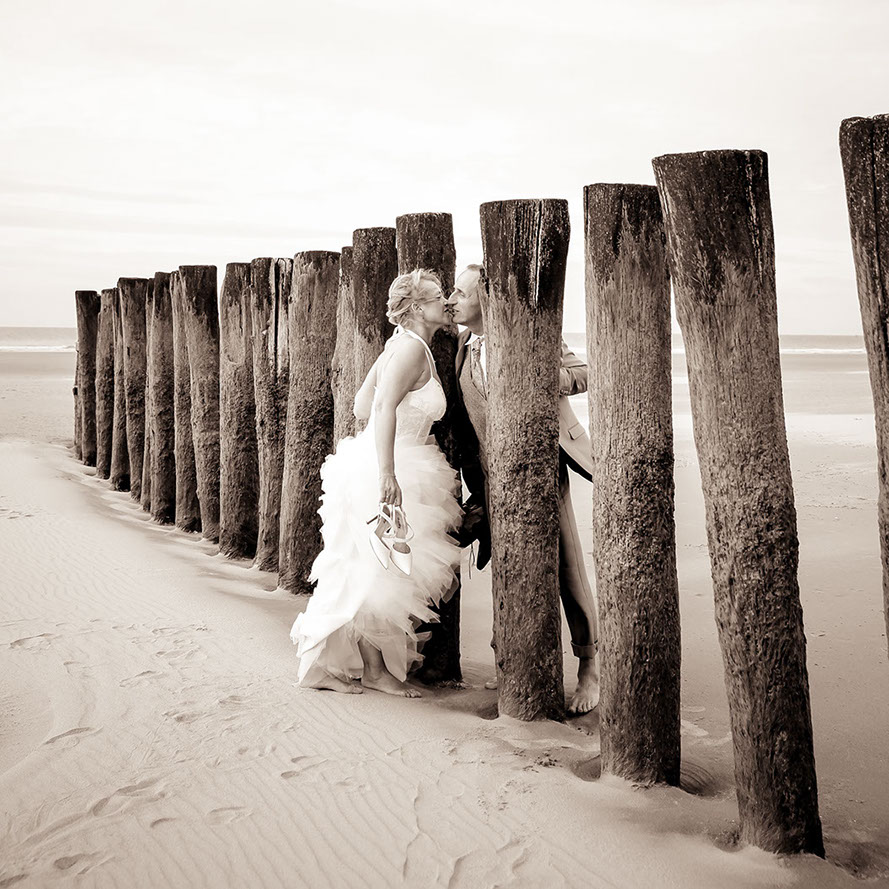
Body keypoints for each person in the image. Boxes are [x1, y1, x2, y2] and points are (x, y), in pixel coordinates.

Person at [290, 269, 462, 697]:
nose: (446, 303)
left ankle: (365, 666)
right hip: (393, 463)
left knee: (370, 565)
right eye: (439, 296)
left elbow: (361, 404)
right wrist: (388, 472)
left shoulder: (400, 347)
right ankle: (371, 670)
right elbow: (380, 408)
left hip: (378, 457)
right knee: (376, 570)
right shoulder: (410, 351)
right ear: (418, 308)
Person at [447, 264, 601, 714]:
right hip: (494, 475)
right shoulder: (462, 346)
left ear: (487, 299)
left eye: (460, 291)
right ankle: (516, 655)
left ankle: (590, 663)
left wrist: (536, 379)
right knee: (511, 567)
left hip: (541, 466)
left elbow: (585, 372)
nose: (452, 299)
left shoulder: (535, 334)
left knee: (566, 566)